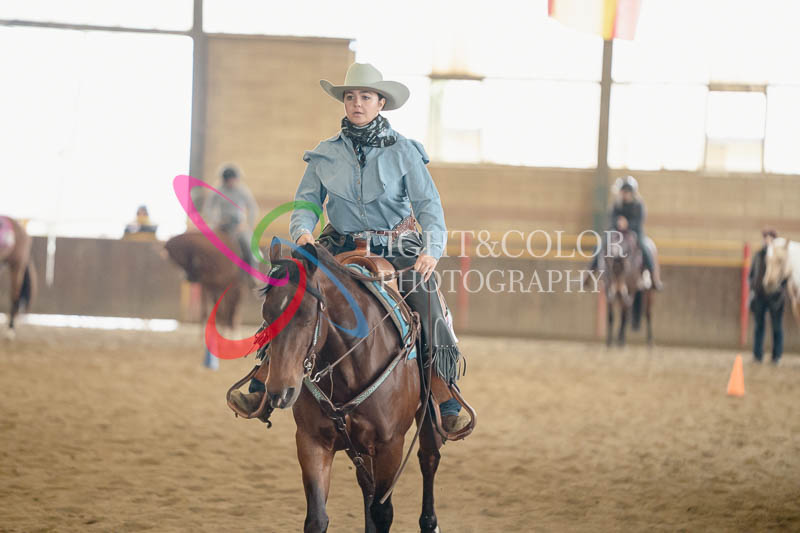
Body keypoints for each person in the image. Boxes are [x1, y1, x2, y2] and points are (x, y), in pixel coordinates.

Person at [230, 62, 469, 433]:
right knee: (289, 291)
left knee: (427, 298)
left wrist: (431, 249)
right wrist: (302, 230)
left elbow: (429, 206)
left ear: (380, 102)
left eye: (366, 97)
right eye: (351, 97)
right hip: (337, 243)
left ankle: (444, 392)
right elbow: (306, 203)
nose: (357, 103)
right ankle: (263, 380)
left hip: (397, 246)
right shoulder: (324, 154)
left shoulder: (405, 152)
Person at [588, 176, 663, 290]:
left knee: (645, 247)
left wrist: (627, 224)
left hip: (635, 232)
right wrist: (618, 222)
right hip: (617, 232)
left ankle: (653, 277)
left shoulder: (638, 205)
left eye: (627, 191)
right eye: (623, 191)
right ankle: (590, 272)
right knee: (601, 245)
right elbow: (611, 219)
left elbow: (639, 221)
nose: (625, 194)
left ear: (632, 192)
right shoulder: (616, 204)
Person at [201, 165, 259, 280]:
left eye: (232, 180)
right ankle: (203, 272)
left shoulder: (242, 191)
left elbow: (253, 208)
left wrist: (246, 224)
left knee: (249, 245)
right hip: (221, 224)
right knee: (206, 243)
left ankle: (253, 274)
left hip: (238, 225)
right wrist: (215, 221)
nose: (230, 183)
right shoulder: (217, 190)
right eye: (228, 180)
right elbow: (208, 208)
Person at [749, 229, 785, 364]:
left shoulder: (780, 256)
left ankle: (777, 356)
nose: (767, 241)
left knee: (776, 326)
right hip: (759, 296)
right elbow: (752, 274)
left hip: (775, 297)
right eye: (765, 238)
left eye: (770, 238)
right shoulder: (758, 255)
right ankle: (757, 355)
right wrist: (753, 289)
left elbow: (785, 274)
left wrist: (780, 289)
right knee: (759, 326)